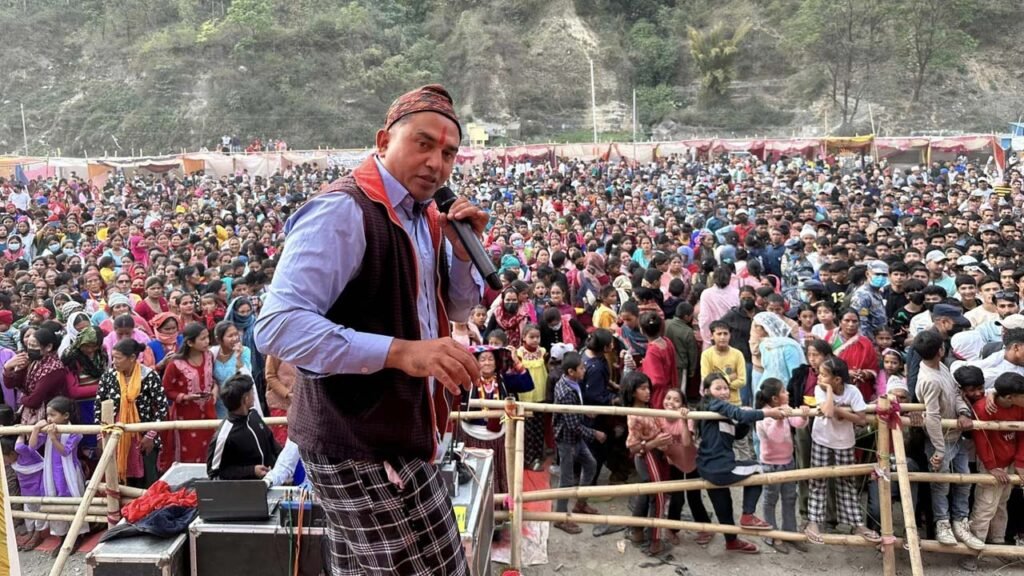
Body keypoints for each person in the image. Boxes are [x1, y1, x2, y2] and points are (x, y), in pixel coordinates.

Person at [254, 84, 485, 576]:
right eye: (423, 144)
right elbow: (276, 326)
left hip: (397, 436)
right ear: (383, 141)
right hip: (359, 444)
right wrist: (402, 352)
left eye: (448, 153)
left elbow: (459, 307)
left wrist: (464, 255)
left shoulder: (427, 215)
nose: (436, 163)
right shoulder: (344, 210)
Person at [695, 372, 784, 554]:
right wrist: (767, 413)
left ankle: (732, 541)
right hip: (720, 467)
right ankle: (748, 515)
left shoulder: (721, 412)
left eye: (725, 388)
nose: (723, 392)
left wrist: (746, 419)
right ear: (707, 392)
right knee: (758, 468)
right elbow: (738, 413)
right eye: (718, 388)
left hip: (708, 467)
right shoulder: (714, 404)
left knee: (723, 505)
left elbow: (736, 434)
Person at [913, 330, 984, 550]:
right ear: (941, 350)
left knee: (964, 480)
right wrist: (939, 449)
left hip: (955, 437)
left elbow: (956, 394)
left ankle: (960, 521)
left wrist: (963, 412)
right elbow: (932, 416)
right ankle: (942, 522)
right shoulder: (929, 379)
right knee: (941, 484)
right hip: (940, 440)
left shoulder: (942, 368)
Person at [804, 356, 881, 545]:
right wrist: (830, 391)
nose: (819, 378)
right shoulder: (820, 389)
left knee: (846, 482)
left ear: (837, 379)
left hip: (844, 442)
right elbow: (828, 411)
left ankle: (856, 523)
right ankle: (814, 522)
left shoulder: (852, 391)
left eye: (824, 375)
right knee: (818, 480)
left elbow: (861, 419)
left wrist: (840, 411)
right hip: (822, 439)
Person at [96, 338, 168, 488]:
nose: (114, 362)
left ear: (132, 358)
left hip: (143, 438)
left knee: (147, 482)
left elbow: (162, 407)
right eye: (113, 357)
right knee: (117, 483)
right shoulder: (108, 377)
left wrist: (150, 435)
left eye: (118, 358)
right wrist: (101, 437)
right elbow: (98, 407)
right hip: (115, 438)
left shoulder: (149, 376)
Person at [755, 378, 810, 554]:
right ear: (774, 398)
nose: (788, 393)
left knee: (790, 498)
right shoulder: (763, 415)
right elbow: (776, 437)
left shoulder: (785, 408)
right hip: (771, 465)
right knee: (770, 500)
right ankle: (771, 535)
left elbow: (797, 424)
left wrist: (803, 415)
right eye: (784, 391)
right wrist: (780, 418)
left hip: (788, 461)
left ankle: (790, 533)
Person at [968, 372, 1024, 547]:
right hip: (991, 464)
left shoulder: (1020, 406)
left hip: (1010, 462)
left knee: (1001, 503)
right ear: (1009, 397)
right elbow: (981, 439)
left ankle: (998, 542)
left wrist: (1020, 462)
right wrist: (991, 466)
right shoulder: (983, 408)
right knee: (985, 505)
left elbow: (1022, 437)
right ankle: (976, 546)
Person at [552, 351, 605, 535]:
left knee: (590, 464)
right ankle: (560, 518)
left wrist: (583, 412)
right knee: (566, 480)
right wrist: (594, 433)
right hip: (567, 439)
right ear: (571, 371)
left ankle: (581, 503)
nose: (584, 370)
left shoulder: (571, 383)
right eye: (581, 368)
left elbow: (574, 413)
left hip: (575, 437)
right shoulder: (566, 392)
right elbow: (573, 425)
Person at [622, 372, 672, 555]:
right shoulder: (635, 415)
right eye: (642, 389)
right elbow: (633, 447)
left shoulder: (648, 407)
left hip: (656, 455)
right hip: (647, 456)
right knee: (657, 496)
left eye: (648, 388)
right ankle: (655, 540)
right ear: (632, 392)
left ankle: (637, 531)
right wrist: (654, 443)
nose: (648, 392)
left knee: (646, 493)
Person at [32, 396, 89, 555]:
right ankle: (62, 537)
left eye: (53, 415)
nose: (49, 419)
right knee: (54, 501)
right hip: (51, 473)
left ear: (65, 416)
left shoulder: (74, 431)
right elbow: (32, 446)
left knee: (72, 502)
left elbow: (65, 452)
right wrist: (36, 429)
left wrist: (53, 437)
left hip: (69, 473)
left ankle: (77, 535)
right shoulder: (48, 429)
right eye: (47, 415)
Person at [658, 388, 713, 546]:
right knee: (677, 498)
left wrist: (682, 419)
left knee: (694, 497)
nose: (671, 402)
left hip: (692, 462)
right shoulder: (658, 418)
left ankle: (706, 528)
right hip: (673, 462)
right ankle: (672, 529)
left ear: (683, 405)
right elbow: (659, 444)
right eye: (668, 398)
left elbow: (687, 442)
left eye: (676, 400)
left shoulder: (687, 417)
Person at [160, 322, 217, 470]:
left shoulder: (209, 356)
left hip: (208, 412)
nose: (207, 342)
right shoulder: (176, 364)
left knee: (209, 449)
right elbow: (166, 389)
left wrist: (215, 391)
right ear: (190, 343)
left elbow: (212, 379)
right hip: (185, 415)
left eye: (207, 337)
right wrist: (185, 397)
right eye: (202, 339)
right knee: (188, 452)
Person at [207, 373, 280, 480]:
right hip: (248, 488)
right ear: (245, 399)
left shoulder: (254, 416)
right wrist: (251, 471)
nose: (254, 395)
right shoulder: (224, 436)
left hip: (273, 481)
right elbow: (214, 473)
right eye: (252, 392)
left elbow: (272, 443)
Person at [4, 326, 69, 426]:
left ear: (48, 347)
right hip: (31, 415)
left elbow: (34, 401)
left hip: (49, 417)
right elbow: (11, 384)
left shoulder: (53, 368)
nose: (30, 349)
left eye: (34, 346)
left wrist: (22, 398)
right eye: (29, 345)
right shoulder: (34, 362)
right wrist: (8, 368)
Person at [5, 435, 44, 551]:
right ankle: (30, 532)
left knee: (40, 512)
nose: (4, 461)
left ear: (12, 454)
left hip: (38, 490)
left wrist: (21, 434)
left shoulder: (27, 455)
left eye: (4, 457)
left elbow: (20, 447)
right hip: (26, 491)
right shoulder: (15, 461)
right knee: (28, 512)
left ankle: (37, 534)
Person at [211, 320, 255, 419]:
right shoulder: (212, 353)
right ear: (219, 339)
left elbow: (245, 377)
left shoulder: (245, 351)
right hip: (218, 403)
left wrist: (238, 358)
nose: (235, 338)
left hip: (237, 403)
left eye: (236, 334)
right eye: (230, 336)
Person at [639, 311, 677, 412]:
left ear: (642, 330)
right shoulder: (667, 342)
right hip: (671, 388)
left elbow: (656, 380)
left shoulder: (652, 351)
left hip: (659, 396)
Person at [264, 354, 297, 447]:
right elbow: (270, 376)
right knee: (282, 441)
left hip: (300, 404)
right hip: (280, 403)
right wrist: (287, 393)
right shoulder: (275, 351)